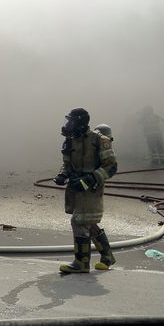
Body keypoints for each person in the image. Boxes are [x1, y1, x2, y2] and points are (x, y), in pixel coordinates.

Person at [52, 108, 118, 273]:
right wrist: (62, 175)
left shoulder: (99, 140)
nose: (68, 125)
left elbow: (111, 166)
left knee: (79, 221)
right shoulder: (70, 141)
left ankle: (81, 263)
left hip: (92, 188)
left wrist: (91, 179)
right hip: (75, 188)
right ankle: (108, 256)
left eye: (71, 121)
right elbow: (67, 164)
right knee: (89, 222)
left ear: (81, 123)